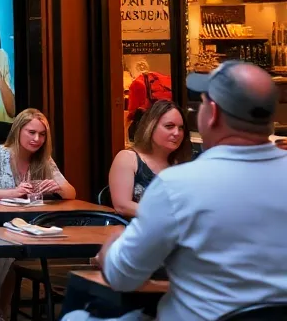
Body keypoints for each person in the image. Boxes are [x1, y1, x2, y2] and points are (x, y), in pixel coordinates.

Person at [65, 61, 287, 321]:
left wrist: (112, 247)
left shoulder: (178, 184)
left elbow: (122, 276)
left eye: (201, 104)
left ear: (212, 113)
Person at [0, 108, 77, 315]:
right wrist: (13, 192)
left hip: (31, 227)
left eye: (42, 134)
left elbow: (71, 192)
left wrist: (57, 188)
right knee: (8, 254)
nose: (37, 139)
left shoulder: (44, 160)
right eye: (31, 132)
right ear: (18, 130)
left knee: (18, 254)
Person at [107, 99, 190, 219]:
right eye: (169, 126)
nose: (177, 133)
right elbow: (122, 206)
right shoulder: (128, 158)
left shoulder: (178, 164)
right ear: (150, 127)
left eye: (181, 128)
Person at [125, 58, 173, 138]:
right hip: (166, 117)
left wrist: (126, 125)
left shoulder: (137, 83)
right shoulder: (162, 78)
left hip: (149, 124)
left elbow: (132, 110)